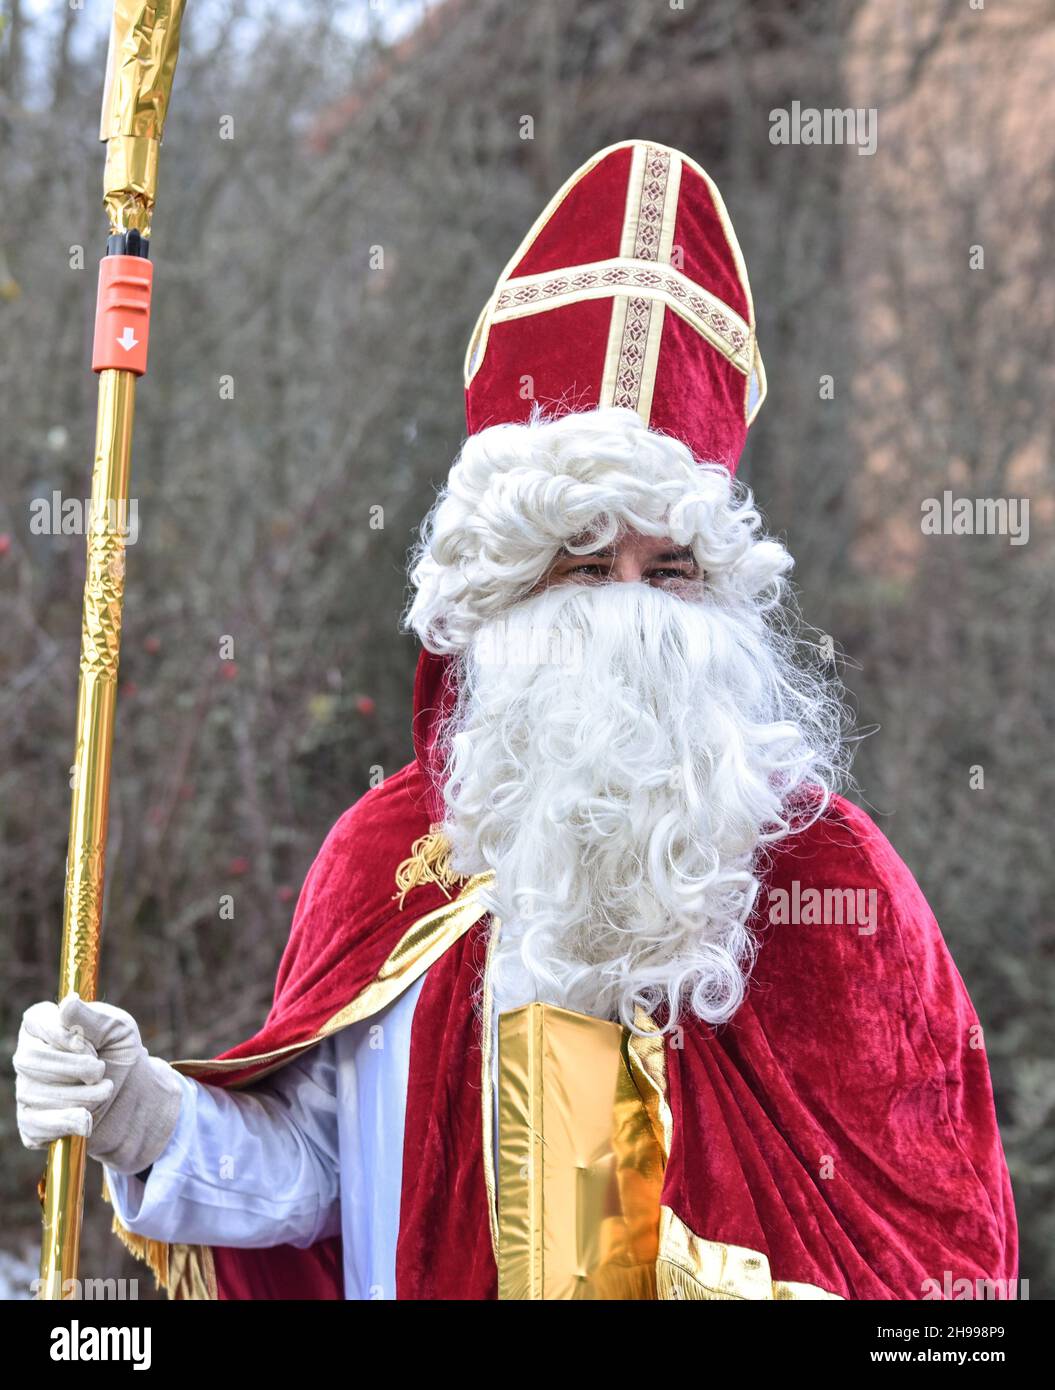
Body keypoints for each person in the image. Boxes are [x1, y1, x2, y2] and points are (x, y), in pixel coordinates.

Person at [15, 140, 1017, 1301]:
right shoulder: (385, 863)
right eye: (585, 567)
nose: (633, 611)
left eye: (671, 567)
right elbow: (311, 1189)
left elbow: (940, 1267)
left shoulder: (829, 882)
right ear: (493, 600)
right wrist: (146, 1116)